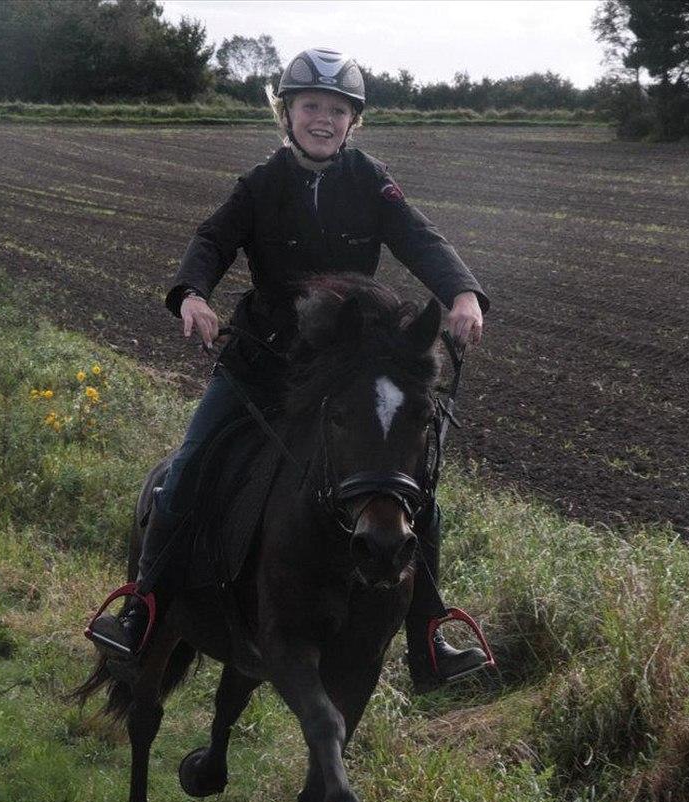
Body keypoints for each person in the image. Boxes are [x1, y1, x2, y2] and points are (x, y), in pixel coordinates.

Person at [89, 47, 490, 689]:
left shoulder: (370, 181)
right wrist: (192, 295)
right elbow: (212, 240)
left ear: (352, 121)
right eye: (310, 106)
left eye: (337, 110)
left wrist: (465, 292)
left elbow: (421, 238)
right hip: (261, 368)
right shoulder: (261, 184)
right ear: (287, 112)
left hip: (340, 377)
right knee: (185, 474)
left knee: (416, 492)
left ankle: (428, 638)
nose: (323, 119)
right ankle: (143, 610)